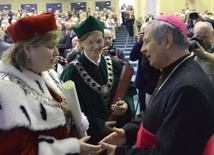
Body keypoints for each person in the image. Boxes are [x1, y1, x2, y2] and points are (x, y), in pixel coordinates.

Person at [99, 14, 214, 154]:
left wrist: (120, 152)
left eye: (147, 41)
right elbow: (155, 113)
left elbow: (171, 152)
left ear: (167, 40)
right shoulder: (172, 71)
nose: (142, 49)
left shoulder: (188, 88)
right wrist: (127, 133)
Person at [0, 12, 102, 155]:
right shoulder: (6, 89)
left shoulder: (47, 73)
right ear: (27, 48)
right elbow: (19, 150)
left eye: (56, 46)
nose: (57, 53)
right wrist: (70, 148)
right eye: (50, 47)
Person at [61, 16, 137, 146]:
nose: (96, 46)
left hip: (116, 130)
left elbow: (129, 91)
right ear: (81, 43)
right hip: (91, 135)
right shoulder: (71, 71)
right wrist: (98, 125)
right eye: (90, 42)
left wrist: (126, 105)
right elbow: (68, 109)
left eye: (99, 41)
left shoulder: (113, 64)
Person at [129, 23, 161, 114]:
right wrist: (139, 42)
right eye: (142, 32)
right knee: (143, 109)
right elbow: (132, 57)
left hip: (154, 80)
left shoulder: (155, 44)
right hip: (142, 81)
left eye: (146, 32)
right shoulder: (140, 45)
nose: (144, 34)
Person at [192, 21, 214, 86]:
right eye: (197, 37)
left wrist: (204, 55)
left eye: (203, 37)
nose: (200, 40)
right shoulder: (194, 46)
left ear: (213, 33)